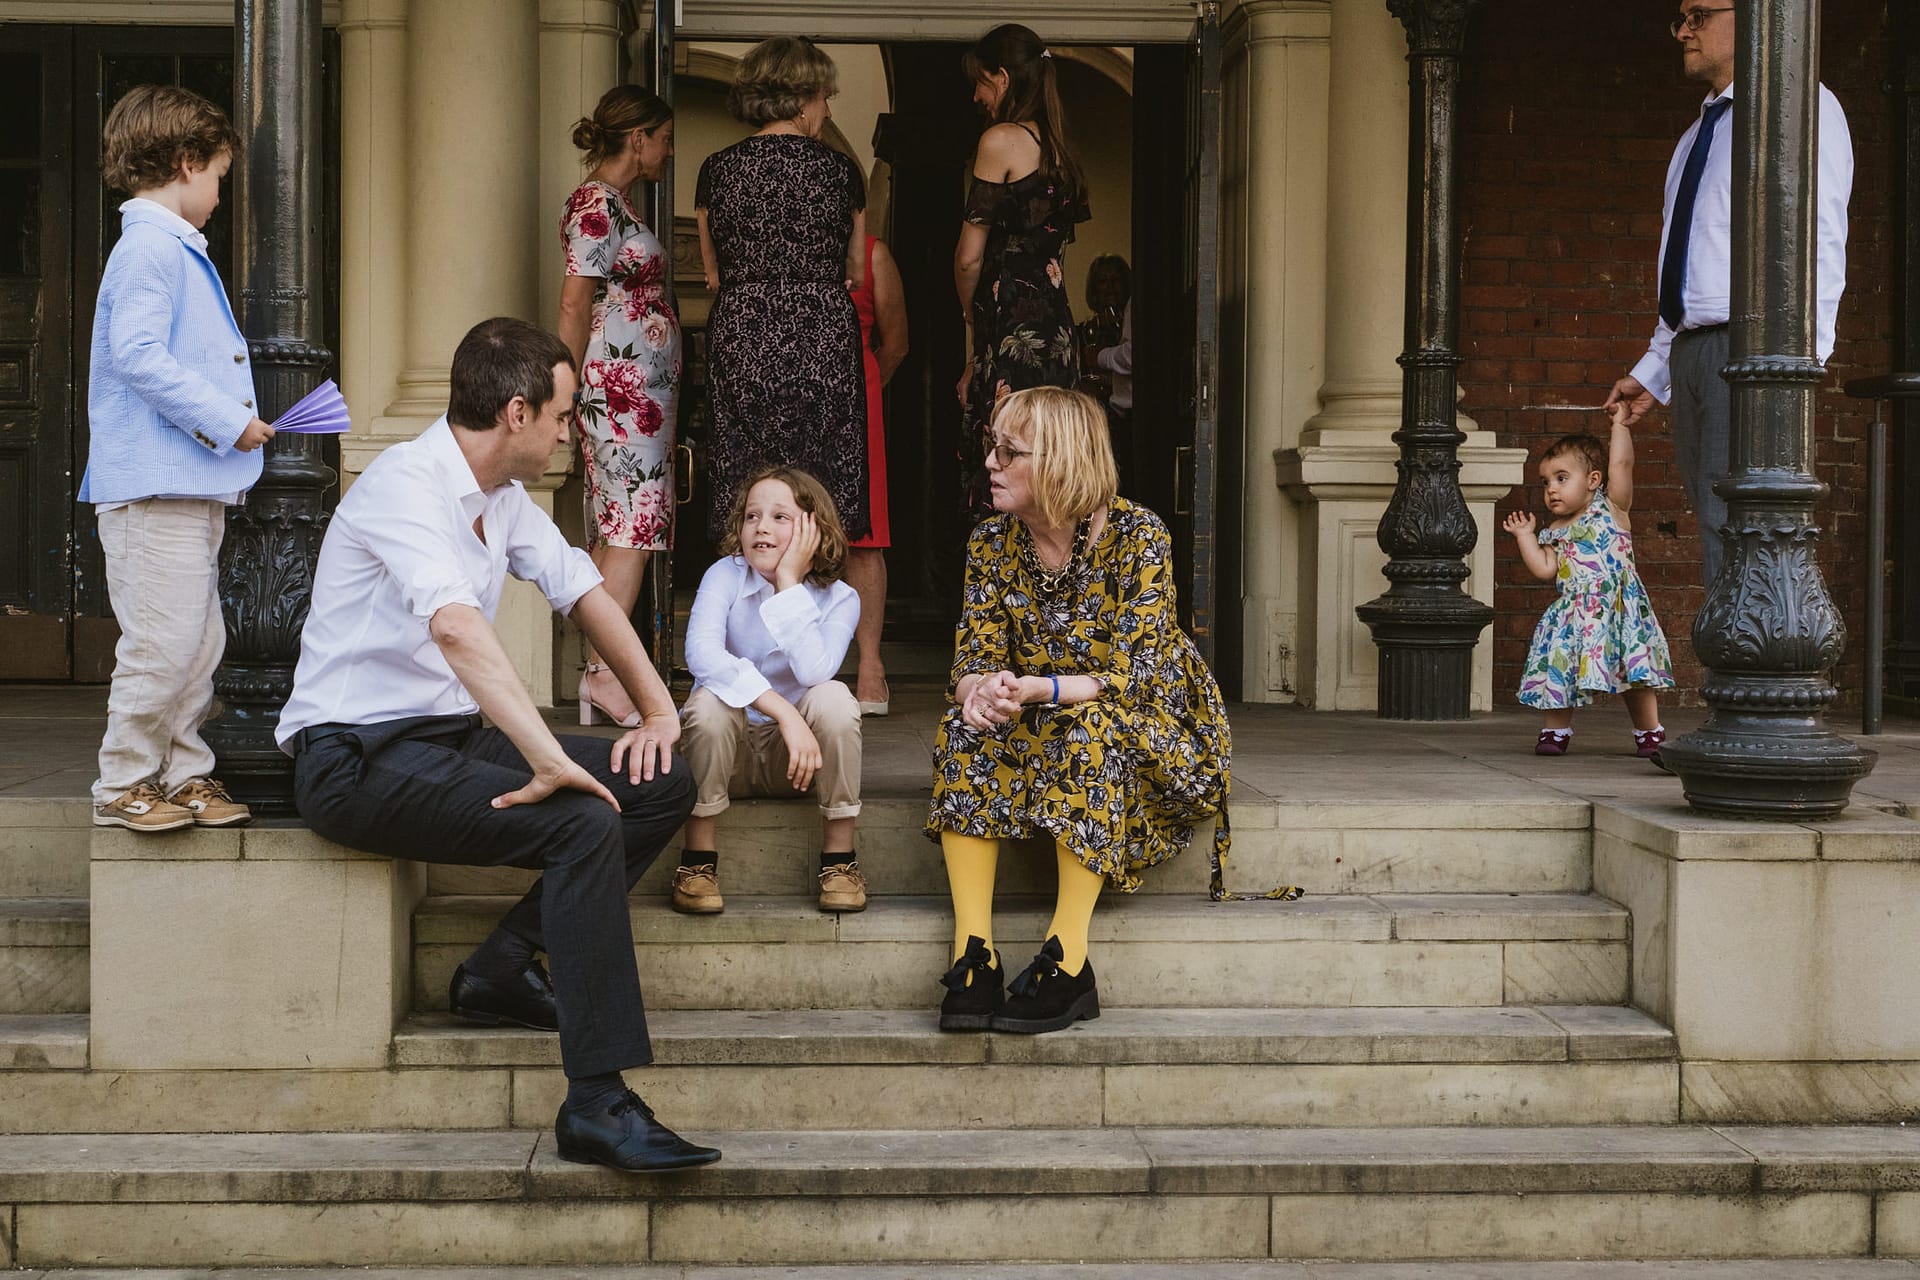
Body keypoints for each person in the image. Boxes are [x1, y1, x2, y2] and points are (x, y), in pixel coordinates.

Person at [279, 317, 717, 1174]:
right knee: (583, 821)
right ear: (517, 413)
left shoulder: (503, 500)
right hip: (353, 758)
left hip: (448, 738)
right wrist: (549, 760)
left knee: (663, 781)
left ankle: (502, 966)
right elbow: (456, 631)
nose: (569, 432)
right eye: (562, 416)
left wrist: (660, 711)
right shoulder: (405, 485)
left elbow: (583, 590)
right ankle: (596, 1101)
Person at [927, 387, 1233, 1036]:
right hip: (1042, 721)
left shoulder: (1139, 537)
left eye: (1009, 451)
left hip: (1153, 733)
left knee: (1090, 725)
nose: (990, 461)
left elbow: (1134, 680)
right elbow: (968, 664)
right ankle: (972, 956)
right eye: (992, 444)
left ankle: (1069, 960)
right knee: (966, 728)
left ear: (1062, 459)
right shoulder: (991, 541)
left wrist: (1038, 689)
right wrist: (982, 692)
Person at [1603, 1, 1853, 588]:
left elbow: (1822, 237)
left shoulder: (1798, 104)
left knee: (1746, 528)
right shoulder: (1698, 135)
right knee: (1716, 525)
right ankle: (1733, 673)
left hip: (1755, 351)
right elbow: (1688, 261)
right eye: (1680, 18)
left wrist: (1799, 365)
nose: (1683, 30)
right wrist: (1656, 367)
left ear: (1752, 18)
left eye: (1698, 14)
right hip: (1695, 352)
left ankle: (1750, 676)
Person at [82, 84, 273, 834]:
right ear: (188, 162)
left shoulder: (168, 248)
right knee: (161, 644)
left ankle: (184, 770)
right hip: (154, 487)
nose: (220, 193)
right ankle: (121, 783)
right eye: (220, 176)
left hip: (187, 485)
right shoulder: (148, 249)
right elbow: (137, 356)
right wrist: (230, 421)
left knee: (198, 644)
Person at [696, 36, 871, 552]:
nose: (827, 108)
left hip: (743, 331)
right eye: (824, 97)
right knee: (819, 476)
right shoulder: (841, 172)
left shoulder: (718, 169)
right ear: (800, 98)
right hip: (821, 332)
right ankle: (809, 588)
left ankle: (748, 594)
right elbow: (857, 271)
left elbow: (712, 275)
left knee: (745, 471)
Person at [673, 465, 865, 915]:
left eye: (781, 517)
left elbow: (816, 669)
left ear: (814, 531)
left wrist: (788, 584)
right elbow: (701, 655)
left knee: (835, 698)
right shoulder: (724, 574)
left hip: (796, 763)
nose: (760, 526)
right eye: (751, 516)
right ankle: (697, 863)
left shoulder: (842, 599)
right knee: (709, 703)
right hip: (727, 755)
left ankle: (840, 861)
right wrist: (784, 711)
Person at [559, 85, 681, 728]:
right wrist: (560, 386)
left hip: (636, 399)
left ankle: (599, 675)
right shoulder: (596, 206)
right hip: (620, 398)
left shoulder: (615, 205)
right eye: (663, 138)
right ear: (639, 138)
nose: (667, 151)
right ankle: (608, 677)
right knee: (634, 529)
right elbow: (575, 303)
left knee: (623, 531)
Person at [954, 23, 1091, 518]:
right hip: (1055, 331)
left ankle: (1003, 580)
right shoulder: (1060, 149)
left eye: (981, 82)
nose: (977, 95)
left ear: (1004, 79)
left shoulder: (1001, 139)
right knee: (1051, 464)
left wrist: (970, 315)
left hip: (1010, 329)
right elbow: (1055, 259)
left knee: (1005, 462)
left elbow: (970, 255)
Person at [1505, 406, 1675, 758]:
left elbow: (1622, 465)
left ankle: (1649, 732)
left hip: (1618, 609)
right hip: (1574, 614)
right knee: (1561, 668)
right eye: (1546, 482)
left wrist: (1619, 425)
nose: (1551, 489)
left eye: (1561, 478)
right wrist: (1525, 536)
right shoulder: (1554, 531)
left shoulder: (1612, 508)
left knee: (1634, 675)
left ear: (1593, 480)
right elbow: (1544, 569)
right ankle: (1555, 730)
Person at [847, 233, 909, 715]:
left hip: (856, 391)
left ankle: (871, 668)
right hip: (792, 395)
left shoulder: (873, 252)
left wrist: (866, 382)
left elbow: (896, 343)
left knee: (865, 532)